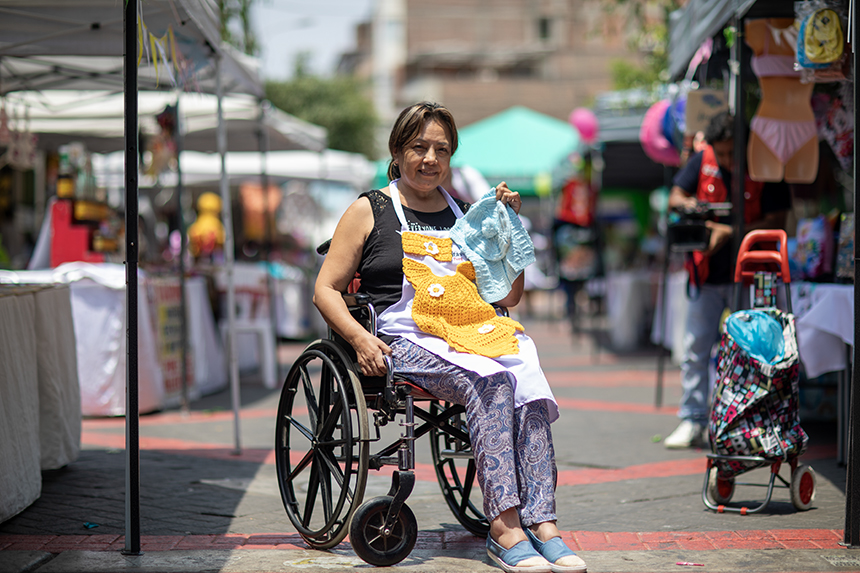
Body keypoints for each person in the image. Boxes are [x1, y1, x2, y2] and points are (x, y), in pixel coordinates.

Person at [314, 101, 586, 573]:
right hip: (402, 337)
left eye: (442, 149)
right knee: (490, 381)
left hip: (469, 329)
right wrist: (359, 340)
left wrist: (505, 229)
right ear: (397, 151)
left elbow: (509, 295)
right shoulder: (368, 209)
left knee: (528, 377)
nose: (430, 158)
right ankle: (504, 530)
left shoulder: (465, 212)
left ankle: (544, 523)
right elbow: (325, 289)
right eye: (419, 147)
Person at [664, 111, 791, 449]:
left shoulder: (764, 163)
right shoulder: (701, 160)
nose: (725, 160)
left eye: (731, 152)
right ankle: (692, 419)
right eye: (720, 153)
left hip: (753, 277)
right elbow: (674, 196)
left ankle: (753, 420)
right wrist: (695, 210)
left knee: (754, 350)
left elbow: (779, 219)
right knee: (696, 348)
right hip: (706, 276)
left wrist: (731, 232)